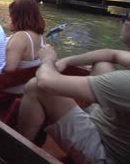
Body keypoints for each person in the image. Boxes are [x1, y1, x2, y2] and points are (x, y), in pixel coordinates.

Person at [17, 13, 130, 163]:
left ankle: (17, 151)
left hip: (107, 153)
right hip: (112, 127)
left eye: (124, 18)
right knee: (102, 63)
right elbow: (111, 54)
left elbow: (46, 81)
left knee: (36, 86)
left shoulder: (125, 82)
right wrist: (68, 61)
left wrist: (48, 59)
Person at [3, 0, 46, 94]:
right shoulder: (41, 36)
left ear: (17, 17)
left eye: (10, 15)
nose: (9, 18)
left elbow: (9, 68)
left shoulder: (21, 37)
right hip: (29, 84)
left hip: (14, 88)